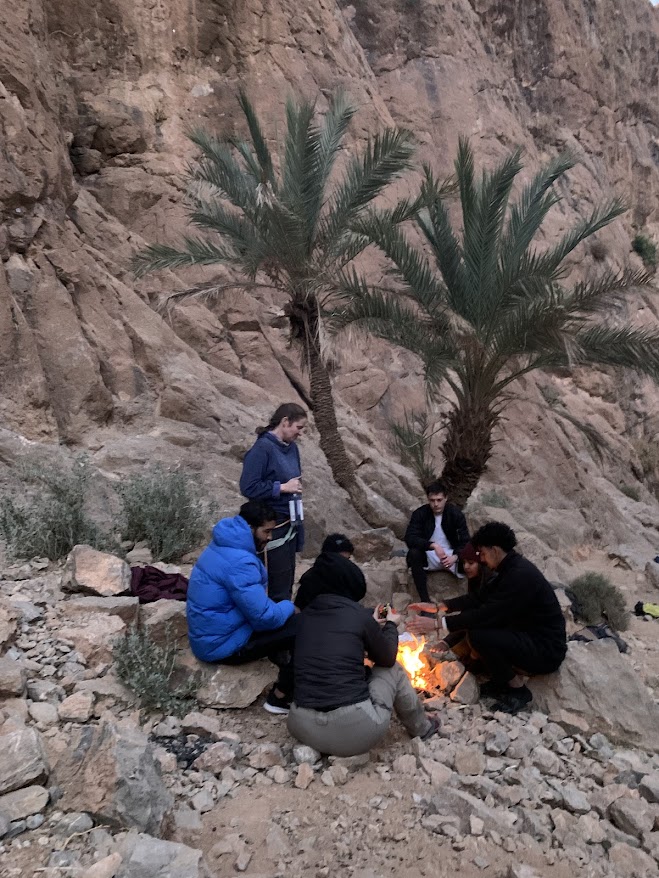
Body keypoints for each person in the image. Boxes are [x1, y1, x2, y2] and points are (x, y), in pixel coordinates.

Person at [287, 536, 440, 757]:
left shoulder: (303, 618)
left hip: (301, 725)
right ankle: (422, 727)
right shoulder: (358, 616)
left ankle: (318, 745)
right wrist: (390, 624)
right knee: (393, 669)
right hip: (354, 732)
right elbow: (386, 658)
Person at [407, 522, 567, 714]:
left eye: (482, 553)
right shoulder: (510, 567)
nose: (481, 559)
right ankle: (500, 681)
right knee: (480, 632)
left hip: (546, 650)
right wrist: (439, 606)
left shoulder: (519, 575)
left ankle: (518, 690)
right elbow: (479, 597)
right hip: (529, 635)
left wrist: (437, 624)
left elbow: (486, 614)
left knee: (480, 635)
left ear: (494, 550)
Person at [186, 500, 299, 715]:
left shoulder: (223, 545)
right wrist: (288, 607)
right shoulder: (240, 562)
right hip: (222, 647)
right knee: (301, 626)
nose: (270, 537)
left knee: (283, 618)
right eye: (266, 531)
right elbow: (264, 617)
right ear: (250, 528)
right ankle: (281, 697)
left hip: (211, 636)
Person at [240, 403, 307, 602]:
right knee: (274, 586)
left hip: (291, 523)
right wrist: (282, 488)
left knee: (286, 583)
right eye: (298, 427)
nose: (300, 433)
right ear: (285, 422)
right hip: (272, 528)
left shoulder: (292, 448)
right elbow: (248, 487)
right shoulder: (262, 449)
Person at [404, 480, 470, 602]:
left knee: (476, 557)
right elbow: (410, 538)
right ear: (428, 499)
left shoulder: (455, 514)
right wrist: (433, 546)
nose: (436, 504)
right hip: (429, 555)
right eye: (432, 500)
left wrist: (455, 557)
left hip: (452, 556)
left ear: (446, 498)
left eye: (439, 500)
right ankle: (425, 601)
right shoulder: (420, 513)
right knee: (414, 553)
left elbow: (465, 541)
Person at [294, 533, 360, 611]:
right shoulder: (310, 580)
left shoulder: (350, 580)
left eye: (346, 560)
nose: (344, 564)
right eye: (339, 560)